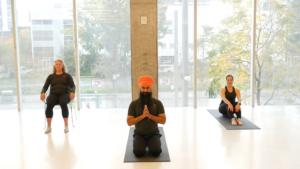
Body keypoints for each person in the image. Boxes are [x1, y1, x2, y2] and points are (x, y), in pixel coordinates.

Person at [127, 76, 167, 157]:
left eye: (147, 88)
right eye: (143, 88)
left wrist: (149, 115)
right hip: (139, 134)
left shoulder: (158, 103)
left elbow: (163, 121)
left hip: (153, 134)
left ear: (151, 89)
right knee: (138, 152)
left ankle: (151, 143)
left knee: (156, 152)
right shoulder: (133, 104)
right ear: (140, 88)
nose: (145, 90)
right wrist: (142, 116)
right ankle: (142, 143)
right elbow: (129, 122)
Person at [40, 59, 76, 134]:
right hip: (53, 94)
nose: (58, 66)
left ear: (62, 66)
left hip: (65, 94)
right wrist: (42, 92)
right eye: (56, 64)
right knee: (49, 103)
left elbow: (73, 86)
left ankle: (66, 125)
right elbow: (45, 87)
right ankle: (49, 126)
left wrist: (73, 92)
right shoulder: (51, 76)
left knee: (63, 103)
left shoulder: (67, 76)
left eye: (59, 64)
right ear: (55, 66)